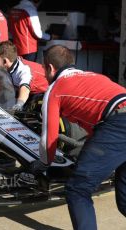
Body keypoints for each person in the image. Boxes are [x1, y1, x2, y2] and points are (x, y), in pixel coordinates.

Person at [29, 45, 126, 229]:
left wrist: (43, 163)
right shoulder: (94, 75)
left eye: (43, 69)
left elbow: (49, 136)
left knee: (77, 189)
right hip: (118, 121)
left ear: (49, 68)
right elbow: (98, 127)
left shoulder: (54, 90)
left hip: (118, 125)